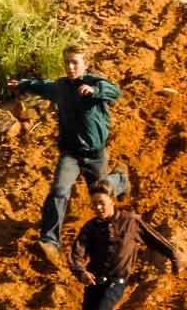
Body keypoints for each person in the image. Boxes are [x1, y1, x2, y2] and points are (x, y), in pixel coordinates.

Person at [7, 48, 127, 269]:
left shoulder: (94, 82)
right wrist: (23, 84)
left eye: (75, 62)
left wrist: (94, 90)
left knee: (101, 193)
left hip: (95, 154)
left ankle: (120, 178)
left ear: (85, 64)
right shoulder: (61, 87)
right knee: (59, 190)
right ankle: (50, 241)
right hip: (70, 153)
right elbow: (42, 86)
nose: (70, 67)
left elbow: (115, 91)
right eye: (67, 63)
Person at [70, 181, 182, 310]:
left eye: (101, 203)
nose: (98, 207)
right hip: (94, 282)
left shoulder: (130, 221)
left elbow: (155, 239)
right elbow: (77, 254)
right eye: (94, 204)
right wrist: (81, 272)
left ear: (112, 200)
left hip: (116, 281)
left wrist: (174, 257)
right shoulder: (90, 227)